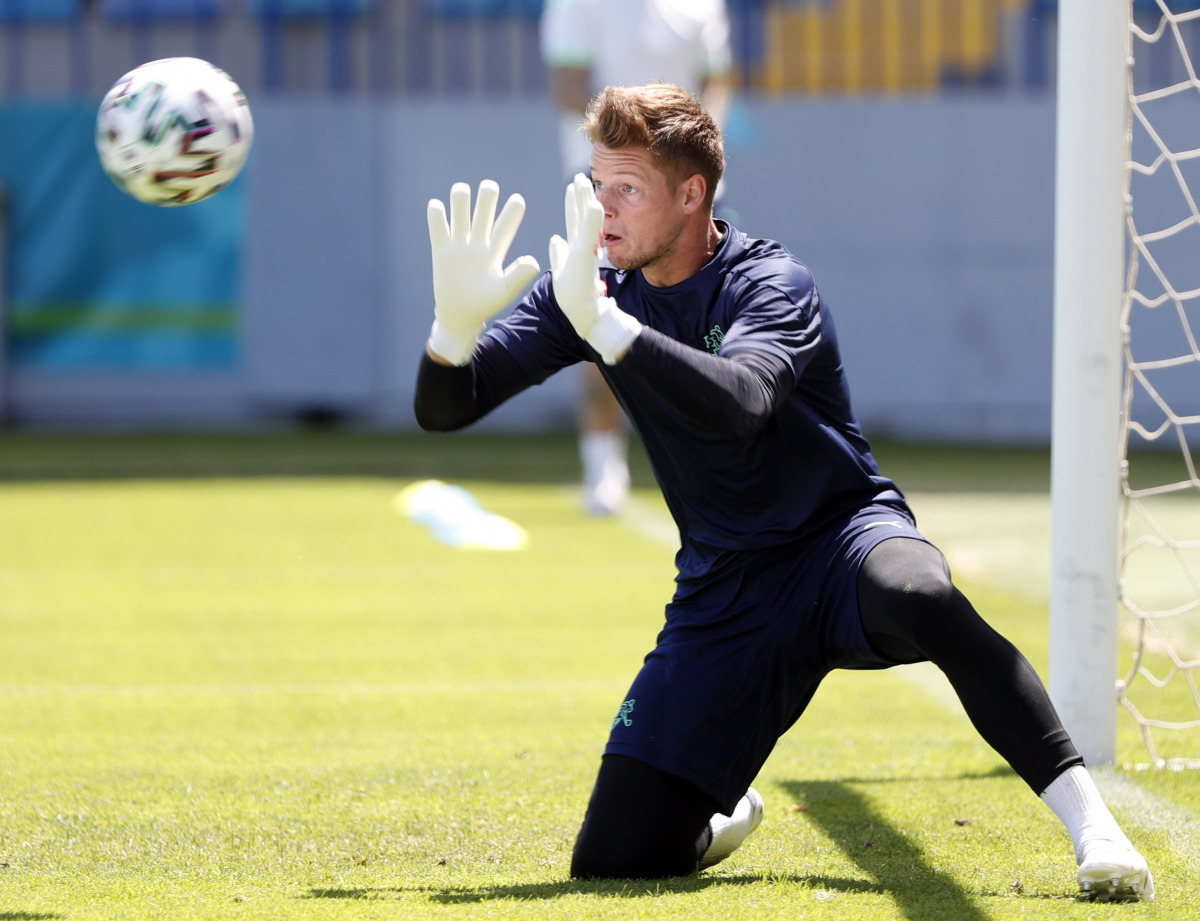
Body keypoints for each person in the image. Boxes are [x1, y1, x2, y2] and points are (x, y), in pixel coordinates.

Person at [413, 83, 1154, 900]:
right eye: (595, 184)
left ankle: (1096, 828)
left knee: (923, 593)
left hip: (840, 542)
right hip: (723, 589)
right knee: (614, 858)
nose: (603, 207)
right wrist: (452, 332)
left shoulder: (770, 282)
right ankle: (714, 814)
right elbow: (448, 408)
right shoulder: (592, 291)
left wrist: (608, 330)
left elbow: (741, 403)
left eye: (626, 187)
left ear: (692, 194)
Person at [540, 0, 733, 516]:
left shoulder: (703, 7)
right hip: (606, 184)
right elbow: (567, 88)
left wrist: (689, 155)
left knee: (709, 323)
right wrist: (643, 156)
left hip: (688, 188)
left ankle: (715, 462)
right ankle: (604, 466)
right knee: (598, 313)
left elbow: (718, 83)